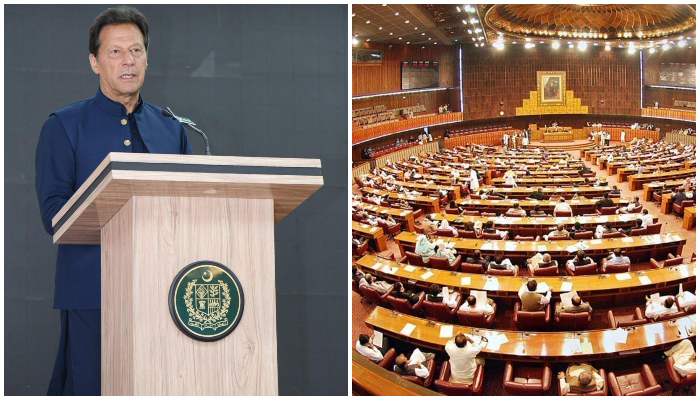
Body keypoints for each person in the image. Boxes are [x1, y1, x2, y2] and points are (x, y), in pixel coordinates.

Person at [34, 7, 194, 396]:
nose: (128, 61)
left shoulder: (173, 129)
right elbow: (55, 215)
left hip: (166, 292)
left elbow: (192, 208)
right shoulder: (64, 125)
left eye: (136, 51)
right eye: (116, 52)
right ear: (94, 61)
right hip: (92, 293)